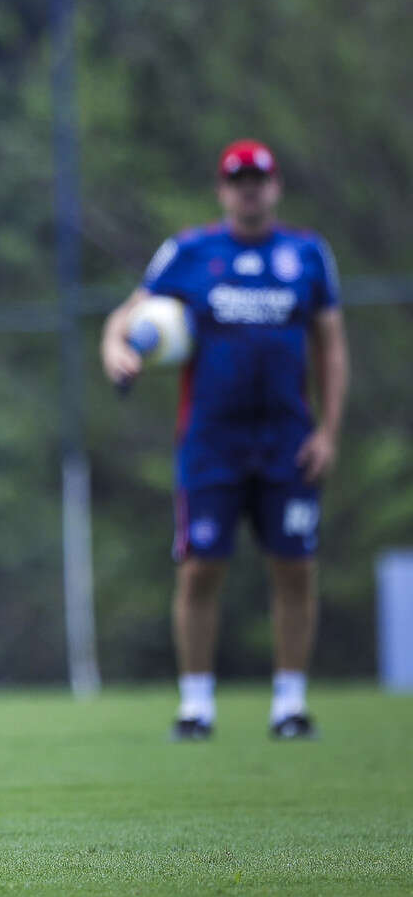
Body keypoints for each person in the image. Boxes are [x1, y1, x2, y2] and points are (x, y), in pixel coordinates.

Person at [101, 140, 347, 741]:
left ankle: (289, 704)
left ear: (276, 186)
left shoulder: (308, 255)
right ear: (222, 190)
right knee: (200, 568)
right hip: (211, 442)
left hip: (288, 440)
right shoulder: (190, 252)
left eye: (258, 179)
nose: (249, 190)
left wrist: (328, 431)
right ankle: (196, 707)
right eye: (238, 180)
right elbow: (125, 317)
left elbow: (330, 345)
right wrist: (115, 350)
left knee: (295, 568)